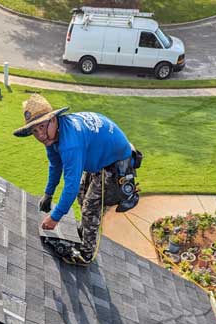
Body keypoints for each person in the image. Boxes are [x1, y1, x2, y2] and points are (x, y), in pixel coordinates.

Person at [13, 94, 140, 265]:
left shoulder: (70, 143)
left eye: (42, 127)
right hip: (101, 157)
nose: (41, 135)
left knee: (90, 207)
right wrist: (48, 194)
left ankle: (86, 254)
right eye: (35, 131)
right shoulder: (53, 138)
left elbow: (70, 186)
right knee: (82, 194)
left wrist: (55, 217)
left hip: (115, 164)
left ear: (53, 119)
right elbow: (55, 166)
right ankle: (86, 229)